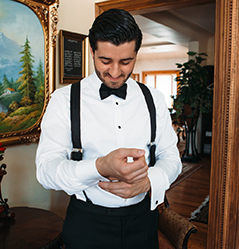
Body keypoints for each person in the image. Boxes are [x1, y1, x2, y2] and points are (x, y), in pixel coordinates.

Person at [36, 8, 182, 249]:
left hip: (144, 221)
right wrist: (99, 167)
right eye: (106, 61)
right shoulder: (63, 101)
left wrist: (149, 182)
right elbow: (46, 171)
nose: (115, 72)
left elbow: (171, 158)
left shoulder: (153, 99)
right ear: (92, 52)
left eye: (126, 62)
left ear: (136, 53)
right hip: (87, 224)